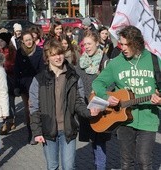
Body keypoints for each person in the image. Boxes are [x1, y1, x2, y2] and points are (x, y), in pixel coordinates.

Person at [92, 25, 161, 170]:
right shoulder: (116, 62)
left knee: (144, 161)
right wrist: (106, 97)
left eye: (126, 44)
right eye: (121, 44)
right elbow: (98, 83)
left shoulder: (154, 61)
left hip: (148, 119)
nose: (122, 48)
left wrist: (160, 101)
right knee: (126, 163)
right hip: (123, 120)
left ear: (137, 43)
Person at [29, 39, 98, 170]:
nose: (58, 57)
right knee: (52, 166)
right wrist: (37, 131)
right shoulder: (38, 79)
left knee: (69, 166)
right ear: (47, 56)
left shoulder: (73, 77)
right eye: (54, 54)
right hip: (48, 130)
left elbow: (79, 102)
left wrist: (89, 112)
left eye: (60, 53)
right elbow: (34, 108)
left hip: (68, 129)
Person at [76, 30, 111, 170]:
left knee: (100, 140)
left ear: (97, 43)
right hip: (86, 107)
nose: (87, 47)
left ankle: (100, 167)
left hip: (101, 107)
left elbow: (112, 82)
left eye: (90, 44)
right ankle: (97, 164)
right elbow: (77, 81)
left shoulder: (104, 60)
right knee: (93, 140)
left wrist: (98, 91)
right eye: (85, 44)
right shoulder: (81, 61)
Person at [14, 31, 45, 145]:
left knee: (35, 108)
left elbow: (42, 70)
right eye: (26, 40)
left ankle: (38, 130)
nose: (28, 42)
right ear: (22, 41)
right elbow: (16, 70)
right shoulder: (19, 52)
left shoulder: (39, 51)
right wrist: (17, 85)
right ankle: (31, 132)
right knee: (28, 109)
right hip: (24, 85)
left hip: (36, 84)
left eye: (30, 39)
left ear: (33, 39)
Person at [0, 32, 16, 134]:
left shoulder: (11, 51)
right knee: (0, 101)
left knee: (10, 100)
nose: (0, 42)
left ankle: (11, 119)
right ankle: (3, 123)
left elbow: (13, 64)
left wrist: (5, 66)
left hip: (9, 78)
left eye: (2, 41)